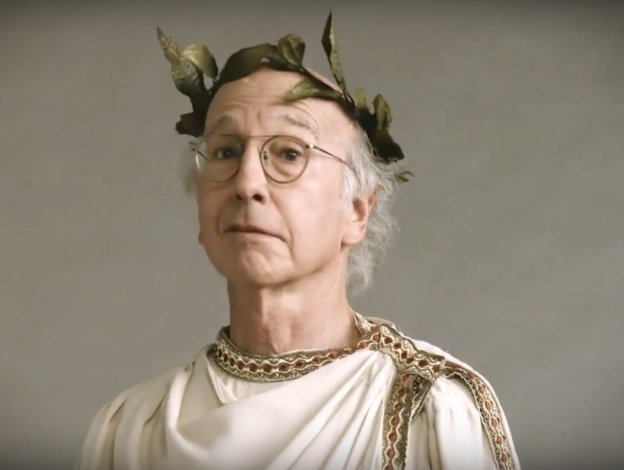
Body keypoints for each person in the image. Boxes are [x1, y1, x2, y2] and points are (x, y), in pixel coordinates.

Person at [74, 13, 520, 470]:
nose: (247, 183)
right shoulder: (132, 429)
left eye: (289, 153)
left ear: (357, 210)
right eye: (225, 151)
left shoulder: (429, 411)